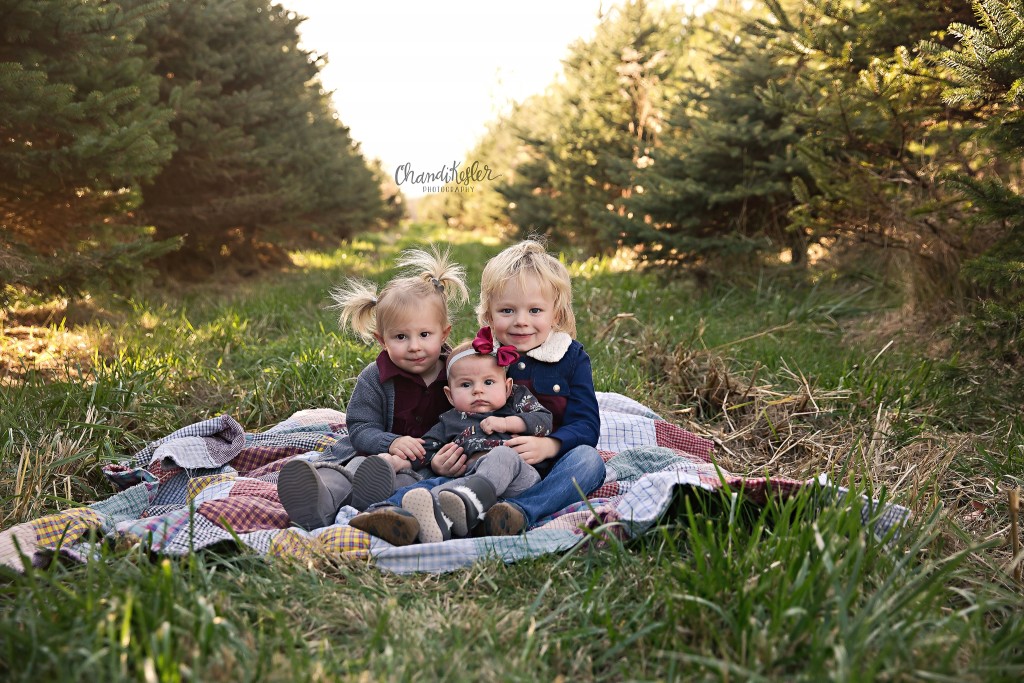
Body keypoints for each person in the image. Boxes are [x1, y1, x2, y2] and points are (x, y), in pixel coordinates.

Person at [349, 239, 606, 544]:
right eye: (507, 310)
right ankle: (392, 512)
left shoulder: (570, 357)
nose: (521, 321)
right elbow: (446, 418)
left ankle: (517, 514)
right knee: (446, 477)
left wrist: (550, 446)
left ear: (556, 314)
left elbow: (587, 425)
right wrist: (434, 457)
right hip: (477, 459)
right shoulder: (476, 357)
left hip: (548, 468)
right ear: (488, 314)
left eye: (535, 310)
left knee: (590, 461)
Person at [277, 246, 469, 530]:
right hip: (369, 456)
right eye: (401, 337)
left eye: (425, 335)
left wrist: (434, 458)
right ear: (382, 340)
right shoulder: (376, 377)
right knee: (345, 472)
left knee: (407, 486)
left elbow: (466, 422)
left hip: (421, 466)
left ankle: (373, 505)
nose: (415, 346)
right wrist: (389, 443)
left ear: (445, 333)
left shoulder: (459, 374)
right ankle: (317, 503)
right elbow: (360, 428)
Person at [398, 329, 554, 543]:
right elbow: (425, 448)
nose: (478, 391)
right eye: (466, 384)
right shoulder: (450, 420)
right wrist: (432, 463)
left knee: (502, 455)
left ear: (507, 387)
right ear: (449, 395)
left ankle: (469, 502)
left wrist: (508, 422)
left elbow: (544, 421)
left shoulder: (515, 401)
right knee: (441, 493)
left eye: (488, 382)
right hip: (467, 480)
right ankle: (433, 524)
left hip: (519, 479)